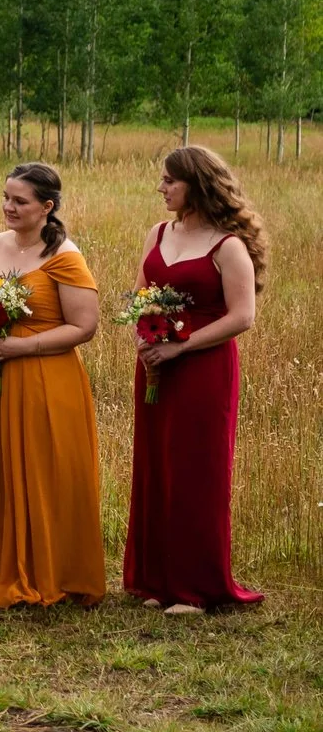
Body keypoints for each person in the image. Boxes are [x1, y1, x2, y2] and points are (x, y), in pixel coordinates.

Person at [0, 161, 104, 608]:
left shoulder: (64, 256)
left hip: (44, 377)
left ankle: (45, 569)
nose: (9, 207)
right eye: (6, 197)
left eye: (20, 201)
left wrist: (20, 347)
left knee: (43, 470)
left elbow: (84, 326)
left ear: (47, 207)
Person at [126, 145, 267, 614]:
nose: (161, 188)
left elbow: (242, 316)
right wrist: (143, 337)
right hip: (155, 364)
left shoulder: (228, 246)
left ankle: (195, 588)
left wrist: (181, 346)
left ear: (198, 184)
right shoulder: (158, 232)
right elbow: (142, 295)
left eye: (170, 180)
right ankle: (157, 579)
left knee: (196, 471)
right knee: (156, 465)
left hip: (203, 367)